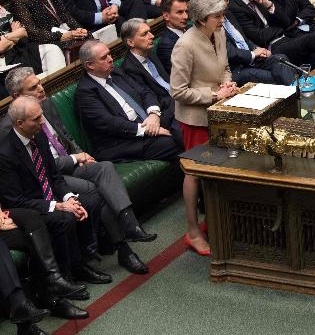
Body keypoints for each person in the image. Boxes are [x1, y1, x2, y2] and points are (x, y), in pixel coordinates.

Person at [3, 68, 157, 270]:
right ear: (16, 96)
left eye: (39, 83)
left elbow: (66, 137)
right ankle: (120, 248)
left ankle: (130, 225)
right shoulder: (12, 127)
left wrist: (83, 155)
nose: (41, 89)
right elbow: (40, 169)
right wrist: (75, 159)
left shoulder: (46, 104)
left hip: (68, 164)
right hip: (52, 176)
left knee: (105, 168)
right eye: (33, 87)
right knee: (93, 191)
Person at [0, 95, 111, 286]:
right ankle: (68, 273)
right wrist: (59, 205)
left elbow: (54, 177)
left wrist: (69, 198)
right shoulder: (6, 153)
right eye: (36, 119)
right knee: (65, 217)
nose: (42, 121)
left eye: (41, 115)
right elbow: (16, 200)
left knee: (89, 202)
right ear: (20, 123)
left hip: (48, 196)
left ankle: (82, 263)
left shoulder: (39, 136)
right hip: (30, 207)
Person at [169, 0, 239, 256]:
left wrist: (226, 82)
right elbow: (177, 91)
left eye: (222, 15)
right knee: (195, 173)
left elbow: (225, 66)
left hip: (220, 109)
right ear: (201, 19)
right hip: (195, 118)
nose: (222, 20)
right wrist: (213, 95)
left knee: (222, 165)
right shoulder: (185, 45)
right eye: (217, 16)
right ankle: (193, 231)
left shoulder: (218, 33)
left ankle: (216, 218)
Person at [74, 40, 183, 163]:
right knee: (176, 141)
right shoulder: (85, 92)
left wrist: (153, 114)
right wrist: (146, 129)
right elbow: (109, 123)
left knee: (187, 124)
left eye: (109, 54)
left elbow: (144, 91)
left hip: (149, 121)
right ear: (90, 65)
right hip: (123, 141)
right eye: (104, 57)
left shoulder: (115, 72)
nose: (110, 59)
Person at [209, 0, 295, 85]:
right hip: (236, 69)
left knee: (280, 59)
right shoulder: (210, 22)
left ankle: (297, 92)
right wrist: (253, 54)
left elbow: (244, 39)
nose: (223, 3)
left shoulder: (229, 14)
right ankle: (298, 94)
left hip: (251, 60)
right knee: (276, 77)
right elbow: (228, 52)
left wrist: (257, 48)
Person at [119, 19, 175, 117]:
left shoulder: (150, 54)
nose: (152, 36)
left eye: (150, 31)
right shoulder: (129, 69)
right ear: (131, 42)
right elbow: (150, 98)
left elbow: (166, 80)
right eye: (145, 34)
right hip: (165, 111)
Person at [156, 0, 189, 73]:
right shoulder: (166, 44)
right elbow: (180, 73)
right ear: (166, 16)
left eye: (186, 11)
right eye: (180, 12)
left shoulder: (192, 29)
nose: (185, 16)